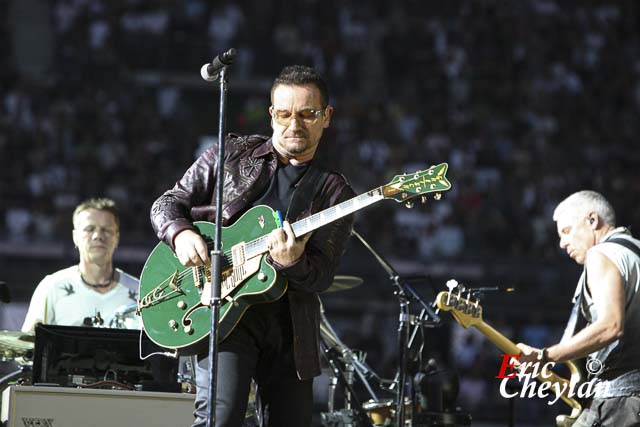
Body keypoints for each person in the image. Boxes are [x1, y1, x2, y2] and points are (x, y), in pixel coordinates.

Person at [150, 65, 355, 427]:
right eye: (284, 113)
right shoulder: (227, 155)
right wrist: (181, 234)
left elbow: (321, 276)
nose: (295, 125)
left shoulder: (334, 192)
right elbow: (167, 203)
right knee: (221, 417)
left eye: (308, 114)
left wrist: (293, 262)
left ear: (327, 117)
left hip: (290, 327)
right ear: (271, 113)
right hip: (222, 311)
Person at [517, 190, 640, 426]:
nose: (562, 243)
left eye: (566, 231)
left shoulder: (601, 254)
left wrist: (545, 356)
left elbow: (611, 325)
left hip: (618, 404)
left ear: (592, 221)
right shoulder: (634, 252)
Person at [22, 198, 140, 332]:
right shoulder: (52, 287)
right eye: (89, 229)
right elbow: (28, 345)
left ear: (117, 237)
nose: (97, 236)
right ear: (75, 236)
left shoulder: (139, 292)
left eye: (106, 230)